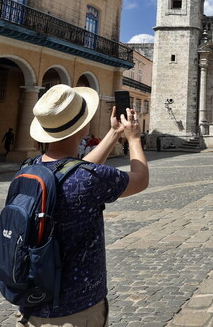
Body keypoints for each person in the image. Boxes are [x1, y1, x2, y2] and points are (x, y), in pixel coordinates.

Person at [16, 84, 149, 326]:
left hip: (32, 301)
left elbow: (72, 170)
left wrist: (113, 134)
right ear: (84, 126)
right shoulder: (89, 178)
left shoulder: (29, 167)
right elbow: (140, 180)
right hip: (76, 310)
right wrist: (134, 139)